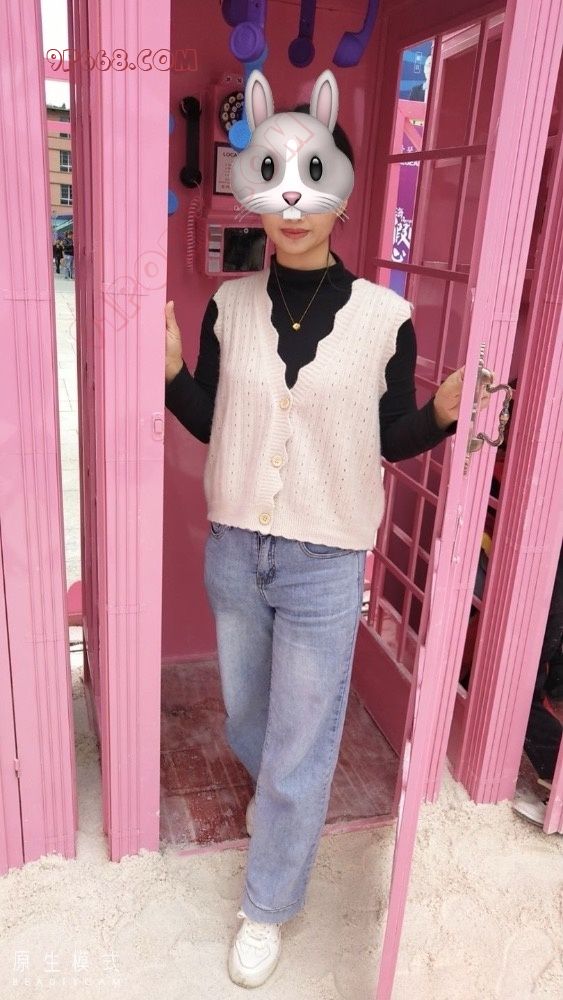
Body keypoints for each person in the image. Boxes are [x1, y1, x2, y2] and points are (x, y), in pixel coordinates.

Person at [164, 68, 491, 989]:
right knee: (251, 720)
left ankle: (267, 903)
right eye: (272, 176)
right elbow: (215, 420)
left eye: (311, 177)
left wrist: (440, 417)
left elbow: (385, 437)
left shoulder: (386, 318)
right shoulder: (228, 306)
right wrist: (171, 376)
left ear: (339, 195)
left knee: (299, 747)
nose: (291, 202)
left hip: (322, 563)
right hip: (236, 553)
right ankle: (282, 817)